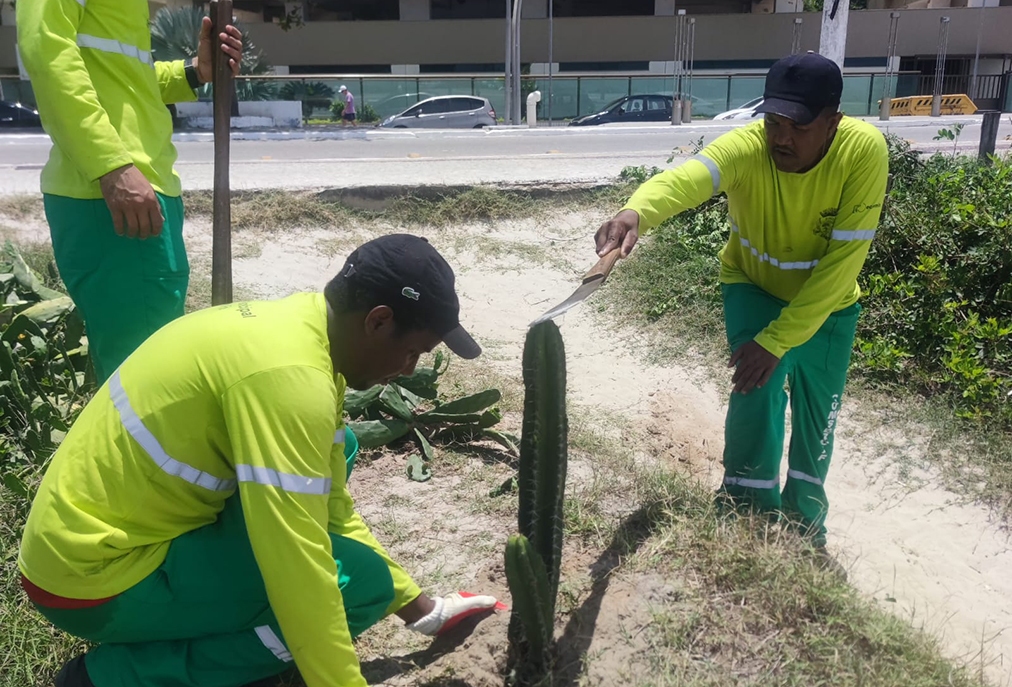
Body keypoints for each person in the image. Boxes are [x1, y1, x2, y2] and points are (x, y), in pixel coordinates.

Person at [18, 235, 501, 687]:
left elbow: (330, 507)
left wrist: (421, 609)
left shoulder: (299, 329)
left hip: (87, 540)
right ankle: (116, 677)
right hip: (94, 584)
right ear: (377, 320)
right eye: (412, 350)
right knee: (362, 586)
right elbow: (298, 570)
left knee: (341, 449)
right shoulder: (289, 382)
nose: (408, 369)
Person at [594, 53, 888, 557]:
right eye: (773, 122)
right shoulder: (749, 148)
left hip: (829, 303)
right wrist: (636, 210)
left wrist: (777, 340)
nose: (781, 138)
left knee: (820, 417)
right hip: (753, 288)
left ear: (833, 121)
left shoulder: (863, 153)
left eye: (797, 125)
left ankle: (802, 528)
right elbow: (689, 179)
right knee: (756, 392)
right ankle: (744, 518)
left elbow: (842, 264)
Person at [16, 1, 244, 384]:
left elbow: (125, 80)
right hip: (113, 193)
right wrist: (111, 166)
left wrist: (194, 72)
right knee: (143, 375)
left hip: (139, 187)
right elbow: (48, 55)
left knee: (143, 360)